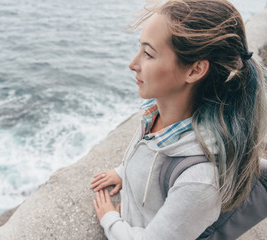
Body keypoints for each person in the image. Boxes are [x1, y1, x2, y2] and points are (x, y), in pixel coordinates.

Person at [90, 0, 267, 239]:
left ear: (195, 70)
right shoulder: (159, 112)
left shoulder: (200, 180)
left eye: (148, 54)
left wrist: (109, 218)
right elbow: (152, 151)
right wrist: (125, 171)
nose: (132, 64)